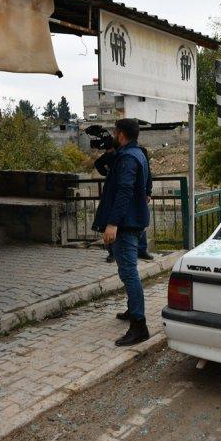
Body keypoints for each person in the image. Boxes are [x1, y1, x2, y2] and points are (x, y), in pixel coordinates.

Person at [92, 118, 151, 346]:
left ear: (121, 134)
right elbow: (141, 183)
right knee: (127, 269)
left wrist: (113, 223)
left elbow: (125, 190)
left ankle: (139, 325)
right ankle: (132, 309)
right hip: (134, 220)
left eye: (115, 133)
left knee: (128, 272)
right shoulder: (136, 154)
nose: (113, 136)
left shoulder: (128, 158)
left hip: (125, 224)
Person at [94, 140, 154, 263]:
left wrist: (148, 191)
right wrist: (110, 174)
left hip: (135, 194)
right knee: (116, 222)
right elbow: (98, 164)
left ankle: (141, 250)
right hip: (119, 194)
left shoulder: (138, 152)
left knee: (137, 222)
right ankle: (112, 252)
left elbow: (147, 171)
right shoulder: (114, 153)